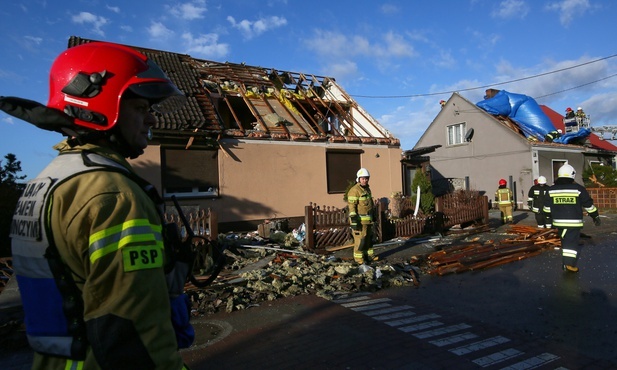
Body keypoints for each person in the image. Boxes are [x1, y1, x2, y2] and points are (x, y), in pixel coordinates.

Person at [3, 42, 192, 369]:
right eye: (139, 108)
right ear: (99, 107)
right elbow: (134, 332)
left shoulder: (48, 182)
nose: (151, 119)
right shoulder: (114, 195)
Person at [543, 163, 601, 273]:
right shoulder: (578, 189)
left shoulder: (551, 190)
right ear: (572, 175)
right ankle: (568, 265)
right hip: (573, 223)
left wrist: (548, 218)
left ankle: (566, 263)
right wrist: (595, 216)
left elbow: (546, 208)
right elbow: (588, 205)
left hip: (559, 222)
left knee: (566, 241)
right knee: (571, 244)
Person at [348, 168, 376, 264]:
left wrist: (374, 215)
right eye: (363, 178)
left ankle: (368, 256)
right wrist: (354, 220)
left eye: (366, 178)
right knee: (360, 241)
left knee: (368, 240)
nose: (365, 180)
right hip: (359, 221)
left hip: (368, 221)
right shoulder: (354, 190)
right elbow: (352, 206)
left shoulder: (367, 189)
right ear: (358, 179)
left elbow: (370, 204)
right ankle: (359, 259)